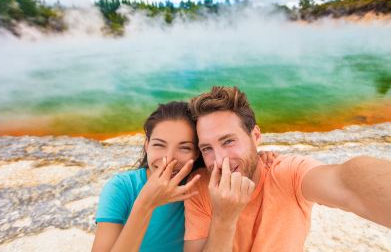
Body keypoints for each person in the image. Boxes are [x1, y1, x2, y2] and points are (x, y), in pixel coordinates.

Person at [183, 86, 391, 252]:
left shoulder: (287, 172)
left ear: (255, 136)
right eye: (207, 148)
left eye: (229, 141)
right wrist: (223, 217)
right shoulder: (200, 187)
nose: (219, 160)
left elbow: (350, 183)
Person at [91, 101, 276, 252]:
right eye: (159, 145)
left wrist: (254, 155)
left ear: (197, 153)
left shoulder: (205, 186)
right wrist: (145, 204)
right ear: (146, 145)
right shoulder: (121, 188)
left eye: (184, 147)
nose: (169, 158)